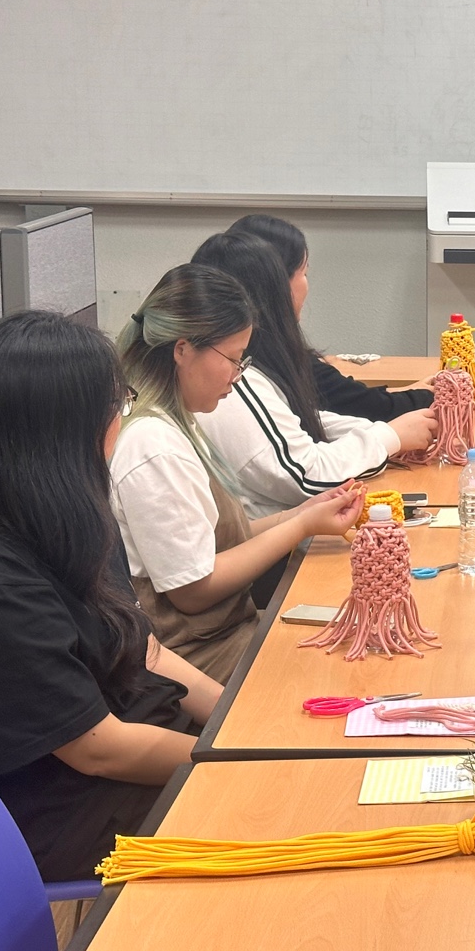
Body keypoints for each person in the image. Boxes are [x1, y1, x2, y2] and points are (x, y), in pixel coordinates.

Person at [0, 310, 222, 881]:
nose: (121, 420)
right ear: (72, 428)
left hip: (138, 752)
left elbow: (147, 650)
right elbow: (97, 749)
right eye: (119, 405)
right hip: (77, 808)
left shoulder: (61, 513)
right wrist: (233, 759)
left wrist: (237, 723)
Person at [111, 264, 364, 681]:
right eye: (232, 358)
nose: (236, 375)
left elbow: (211, 541)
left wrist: (302, 514)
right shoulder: (152, 445)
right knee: (345, 671)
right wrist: (300, 527)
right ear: (182, 349)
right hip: (199, 657)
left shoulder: (175, 421)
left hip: (225, 634)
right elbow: (194, 590)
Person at [191, 230, 436, 516]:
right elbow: (305, 475)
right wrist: (389, 436)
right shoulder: (235, 379)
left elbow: (301, 423)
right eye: (303, 273)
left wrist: (389, 434)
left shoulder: (253, 365)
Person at [228, 213, 435, 421]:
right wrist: (434, 395)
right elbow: (371, 408)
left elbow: (356, 399)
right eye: (304, 273)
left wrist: (415, 390)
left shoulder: (244, 346)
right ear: (278, 282)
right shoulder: (274, 357)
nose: (307, 285)